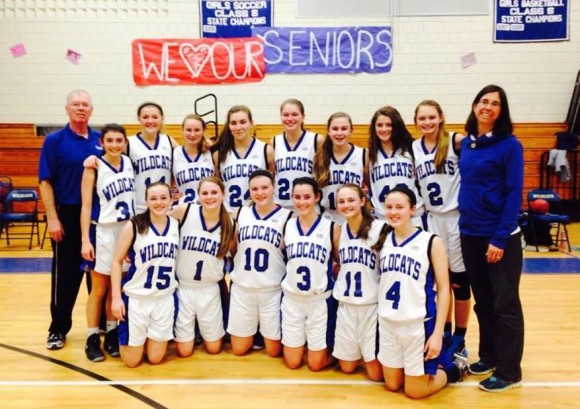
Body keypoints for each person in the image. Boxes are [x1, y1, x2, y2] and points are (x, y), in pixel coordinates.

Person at [459, 85, 524, 392]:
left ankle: (510, 371)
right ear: (474, 105)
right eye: (483, 101)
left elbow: (513, 195)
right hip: (469, 233)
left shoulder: (510, 146)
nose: (488, 107)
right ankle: (489, 356)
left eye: (495, 103)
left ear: (502, 110)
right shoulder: (468, 144)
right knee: (483, 302)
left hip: (499, 238)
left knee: (505, 304)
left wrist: (499, 238)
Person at [376, 186, 463, 399]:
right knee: (393, 384)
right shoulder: (382, 239)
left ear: (413, 209)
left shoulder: (431, 241)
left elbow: (444, 290)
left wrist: (438, 334)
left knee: (415, 391)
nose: (393, 212)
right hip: (389, 322)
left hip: (419, 324)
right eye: (389, 207)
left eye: (400, 207)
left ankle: (454, 368)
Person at [39, 89, 103, 350]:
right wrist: (52, 218)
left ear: (91, 110)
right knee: (65, 276)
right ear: (67, 109)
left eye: (85, 104)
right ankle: (58, 328)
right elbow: (45, 181)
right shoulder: (54, 141)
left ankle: (96, 326)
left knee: (98, 276)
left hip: (99, 217)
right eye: (75, 104)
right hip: (66, 214)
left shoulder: (101, 140)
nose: (80, 108)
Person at [412, 100, 471, 360]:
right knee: (439, 281)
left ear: (441, 117)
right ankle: (444, 333)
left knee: (460, 282)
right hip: (432, 219)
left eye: (431, 117)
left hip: (456, 219)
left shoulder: (456, 141)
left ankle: (460, 336)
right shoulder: (414, 147)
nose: (427, 122)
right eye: (422, 118)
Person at [80, 124, 135, 361]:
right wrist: (85, 239)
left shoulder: (129, 163)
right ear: (101, 142)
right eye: (109, 140)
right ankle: (93, 336)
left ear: (124, 143)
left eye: (119, 140)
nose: (114, 144)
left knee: (118, 287)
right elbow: (84, 206)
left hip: (126, 230)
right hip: (102, 231)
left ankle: (112, 333)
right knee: (100, 289)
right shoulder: (94, 166)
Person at [110, 182, 179, 368]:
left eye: (164, 198)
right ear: (146, 201)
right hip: (136, 299)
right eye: (153, 198)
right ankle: (130, 338)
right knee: (132, 362)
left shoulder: (177, 225)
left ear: (171, 200)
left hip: (164, 299)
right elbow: (116, 262)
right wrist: (116, 298)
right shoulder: (134, 225)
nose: (159, 202)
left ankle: (146, 339)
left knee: (156, 359)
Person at [228, 169, 293, 357]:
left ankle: (260, 329)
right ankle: (254, 329)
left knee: (273, 352)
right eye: (255, 189)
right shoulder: (240, 213)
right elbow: (233, 247)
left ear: (274, 188)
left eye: (265, 187)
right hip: (243, 288)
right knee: (239, 350)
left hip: (271, 289)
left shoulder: (288, 217)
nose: (260, 192)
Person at [170, 177, 234, 357]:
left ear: (223, 194)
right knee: (184, 352)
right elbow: (160, 225)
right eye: (204, 193)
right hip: (184, 287)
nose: (209, 197)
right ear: (198, 195)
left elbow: (234, 253)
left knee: (214, 349)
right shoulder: (185, 211)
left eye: (214, 192)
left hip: (210, 289)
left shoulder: (230, 223)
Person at [281, 177, 340, 371]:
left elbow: (340, 261)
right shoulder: (287, 225)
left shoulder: (331, 228)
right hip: (292, 299)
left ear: (317, 197)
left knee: (315, 365)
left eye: (307, 196)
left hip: (319, 301)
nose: (302, 201)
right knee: (293, 362)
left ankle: (333, 351)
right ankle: (307, 343)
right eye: (297, 197)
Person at [332, 184, 385, 382]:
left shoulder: (380, 229)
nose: (346, 205)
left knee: (376, 375)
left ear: (363, 201)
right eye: (341, 202)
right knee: (346, 368)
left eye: (351, 200)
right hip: (346, 304)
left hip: (370, 306)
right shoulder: (339, 231)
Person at [367, 106, 424, 227]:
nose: (384, 129)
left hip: (412, 217)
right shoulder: (369, 154)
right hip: (383, 219)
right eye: (379, 125)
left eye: (389, 125)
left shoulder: (411, 148)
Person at [213, 105, 275, 214]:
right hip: (229, 215)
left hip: (257, 215)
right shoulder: (219, 155)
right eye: (233, 123)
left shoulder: (266, 151)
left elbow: (272, 185)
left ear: (251, 123)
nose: (238, 127)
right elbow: (217, 187)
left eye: (243, 122)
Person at [313, 112, 368, 224]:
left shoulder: (363, 154)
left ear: (351, 130)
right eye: (335, 129)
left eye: (344, 128)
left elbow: (369, 186)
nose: (339, 133)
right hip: (327, 218)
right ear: (328, 131)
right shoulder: (319, 156)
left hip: (355, 218)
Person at [269, 99, 324, 210]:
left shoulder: (316, 140)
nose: (290, 119)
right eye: (285, 115)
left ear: (303, 117)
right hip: (281, 207)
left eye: (295, 114)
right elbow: (271, 176)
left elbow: (323, 173)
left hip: (309, 206)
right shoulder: (274, 142)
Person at [128, 102, 178, 213]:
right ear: (139, 119)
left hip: (165, 207)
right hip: (139, 207)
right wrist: (93, 158)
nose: (150, 121)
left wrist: (205, 143)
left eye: (155, 117)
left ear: (162, 118)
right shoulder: (129, 143)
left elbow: (186, 160)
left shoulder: (169, 141)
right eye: (145, 117)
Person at [172, 114, 214, 205]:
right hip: (184, 211)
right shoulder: (174, 153)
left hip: (208, 209)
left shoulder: (211, 153)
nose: (192, 134)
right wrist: (170, 192)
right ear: (182, 131)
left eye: (197, 130)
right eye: (188, 130)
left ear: (203, 131)